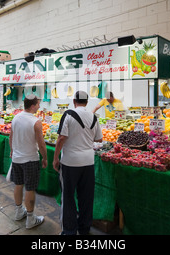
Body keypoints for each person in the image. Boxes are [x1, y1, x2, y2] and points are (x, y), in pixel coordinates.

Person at [53, 91, 103, 235]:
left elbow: (61, 137)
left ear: (74, 101)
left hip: (70, 163)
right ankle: (84, 229)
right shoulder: (93, 117)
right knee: (86, 197)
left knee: (68, 197)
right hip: (88, 162)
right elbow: (99, 139)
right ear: (87, 102)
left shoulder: (68, 114)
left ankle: (69, 230)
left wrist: (56, 158)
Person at [9, 94, 48, 229]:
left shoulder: (15, 117)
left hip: (17, 158)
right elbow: (41, 144)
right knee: (30, 188)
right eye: (38, 104)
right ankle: (30, 219)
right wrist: (45, 157)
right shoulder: (35, 121)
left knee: (18, 184)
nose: (39, 106)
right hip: (30, 159)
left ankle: (19, 212)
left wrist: (12, 150)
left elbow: (11, 137)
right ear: (32, 106)